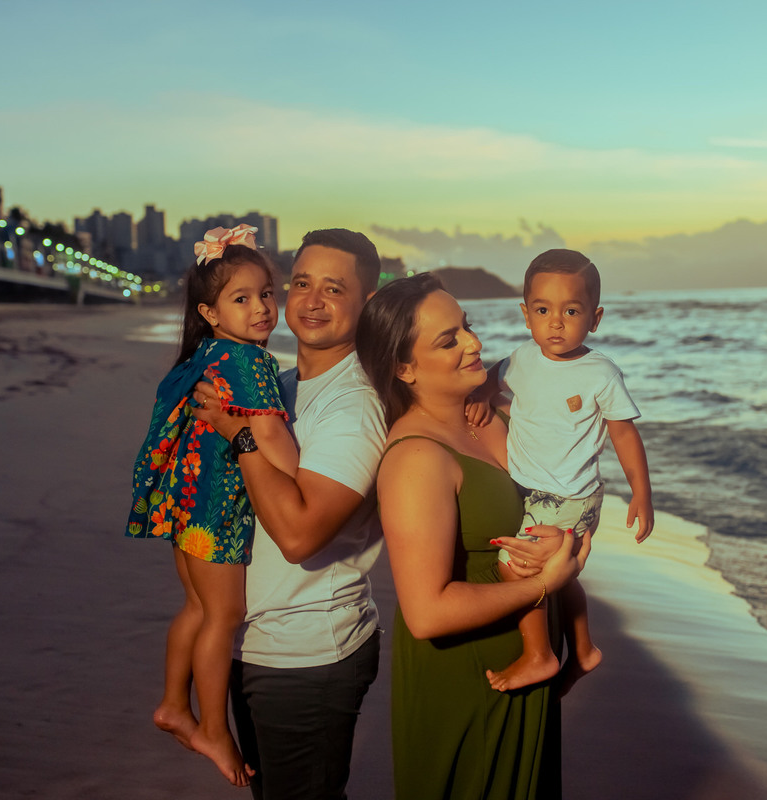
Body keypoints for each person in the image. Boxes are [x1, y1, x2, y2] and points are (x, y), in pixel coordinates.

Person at [357, 273, 588, 800]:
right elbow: (427, 613)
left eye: (467, 326)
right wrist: (544, 586)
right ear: (403, 367)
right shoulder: (416, 460)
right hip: (470, 675)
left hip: (524, 666)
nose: (474, 343)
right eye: (449, 340)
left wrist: (562, 544)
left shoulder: (491, 416)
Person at [191, 228, 386, 800]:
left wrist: (240, 436)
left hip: (310, 651)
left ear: (367, 303)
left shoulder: (355, 406)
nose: (312, 300)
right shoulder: (278, 386)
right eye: (301, 283)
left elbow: (300, 536)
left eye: (334, 287)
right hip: (257, 642)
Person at [126, 224, 298, 786]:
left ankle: (175, 705)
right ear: (211, 311)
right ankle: (214, 730)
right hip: (216, 508)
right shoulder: (249, 363)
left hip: (186, 506)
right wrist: (304, 478)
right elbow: (272, 440)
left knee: (198, 610)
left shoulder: (209, 354)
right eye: (242, 299)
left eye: (267, 293)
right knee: (223, 617)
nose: (262, 309)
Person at [466, 248, 655, 694]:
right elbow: (495, 379)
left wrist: (642, 495)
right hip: (531, 491)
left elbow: (624, 436)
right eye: (543, 310)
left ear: (595, 317)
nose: (555, 322)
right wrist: (481, 397)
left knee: (515, 566)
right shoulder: (521, 358)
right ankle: (584, 650)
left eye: (571, 310)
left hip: (572, 496)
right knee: (560, 575)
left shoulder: (601, 374)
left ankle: (540, 655)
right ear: (525, 314)